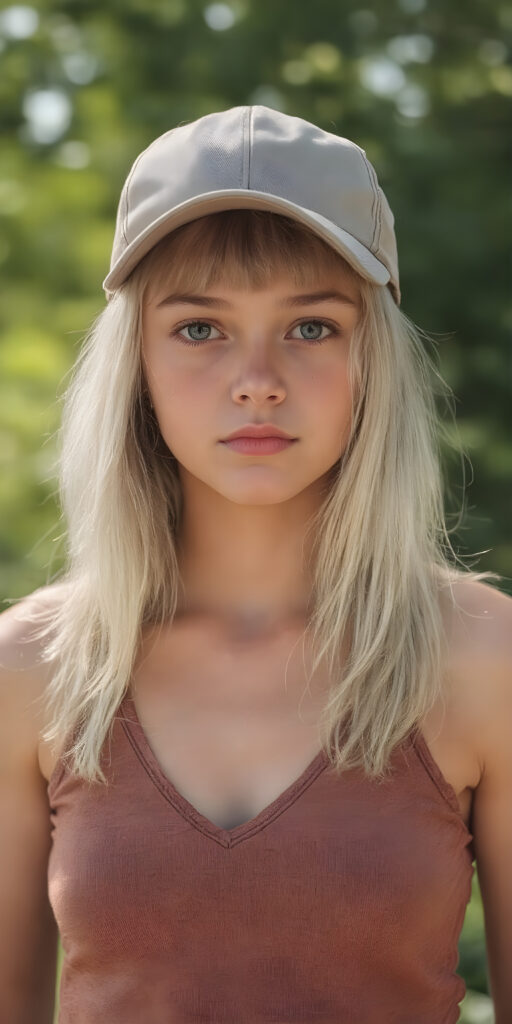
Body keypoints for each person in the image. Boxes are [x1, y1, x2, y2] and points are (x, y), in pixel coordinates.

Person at [0, 104, 511, 1023]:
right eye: (200, 329)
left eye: (312, 327)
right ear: (138, 365)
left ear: (374, 361)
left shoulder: (482, 660)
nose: (258, 378)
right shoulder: (31, 670)